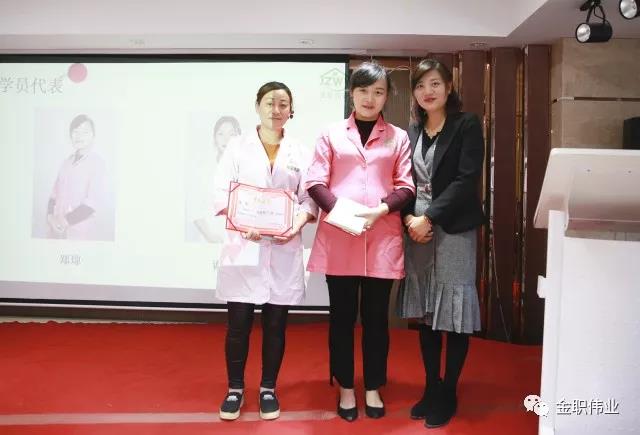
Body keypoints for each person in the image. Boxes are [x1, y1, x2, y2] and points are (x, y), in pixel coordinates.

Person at [305, 62, 415, 421]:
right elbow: (315, 182)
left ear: (387, 96)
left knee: (376, 320)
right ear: (351, 93)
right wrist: (344, 213)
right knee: (341, 319)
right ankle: (346, 388)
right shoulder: (331, 134)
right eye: (364, 91)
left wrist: (381, 209)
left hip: (381, 238)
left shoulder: (398, 137)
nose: (370, 98)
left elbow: (406, 186)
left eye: (378, 92)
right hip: (340, 237)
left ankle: (373, 386)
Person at [211, 82, 317, 421]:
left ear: (291, 111)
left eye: (283, 103)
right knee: (238, 324)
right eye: (270, 102)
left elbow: (309, 198)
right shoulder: (237, 147)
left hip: (283, 246)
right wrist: (243, 224)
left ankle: (268, 388)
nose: (276, 109)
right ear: (257, 106)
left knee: (276, 324)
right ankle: (235, 388)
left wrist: (296, 225)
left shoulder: (300, 152)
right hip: (244, 245)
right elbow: (221, 191)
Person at [396, 58, 485, 428]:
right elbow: (404, 181)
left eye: (434, 83)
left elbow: (466, 179)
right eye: (420, 85)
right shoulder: (412, 132)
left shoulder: (467, 124)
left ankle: (449, 390)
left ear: (448, 87)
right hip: (417, 230)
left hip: (453, 227)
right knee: (427, 312)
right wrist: (409, 219)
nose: (427, 91)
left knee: (455, 311)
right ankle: (431, 385)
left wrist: (428, 217)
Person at [47, 114, 106, 240]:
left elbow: (92, 204)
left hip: (80, 233)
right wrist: (50, 217)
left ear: (93, 136)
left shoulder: (97, 164)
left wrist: (64, 222)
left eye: (85, 132)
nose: (79, 136)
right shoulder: (66, 162)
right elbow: (53, 194)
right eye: (75, 132)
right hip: (55, 231)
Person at [191, 116, 242, 243]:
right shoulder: (203, 170)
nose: (226, 139)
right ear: (214, 138)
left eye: (231, 134)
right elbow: (194, 208)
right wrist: (210, 237)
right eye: (221, 134)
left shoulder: (246, 170)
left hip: (238, 242)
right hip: (210, 239)